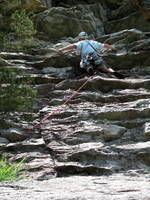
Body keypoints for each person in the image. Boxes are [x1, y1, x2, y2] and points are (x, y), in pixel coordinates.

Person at [58, 32, 125, 78]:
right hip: (96, 58)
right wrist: (113, 47)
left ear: (80, 38)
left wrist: (62, 49)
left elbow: (73, 46)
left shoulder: (80, 42)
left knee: (84, 63)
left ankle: (90, 68)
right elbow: (105, 45)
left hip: (87, 58)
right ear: (87, 37)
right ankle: (112, 72)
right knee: (104, 68)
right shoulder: (93, 42)